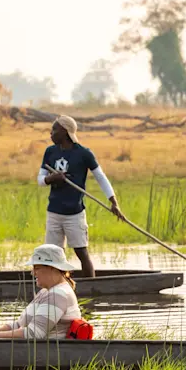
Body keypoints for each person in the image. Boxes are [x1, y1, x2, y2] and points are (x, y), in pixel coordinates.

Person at [37, 115, 125, 278]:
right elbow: (40, 180)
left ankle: (92, 287)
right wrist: (52, 179)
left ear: (64, 132)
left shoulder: (83, 153)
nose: (51, 133)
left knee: (81, 252)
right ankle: (58, 285)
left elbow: (101, 177)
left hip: (74, 213)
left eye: (54, 130)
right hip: (54, 212)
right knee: (53, 254)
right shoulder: (50, 152)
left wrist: (113, 202)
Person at [0, 244, 82, 339]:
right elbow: (20, 324)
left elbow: (34, 333)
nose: (33, 273)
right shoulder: (45, 292)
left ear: (52, 268)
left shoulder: (59, 294)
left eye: (36, 268)